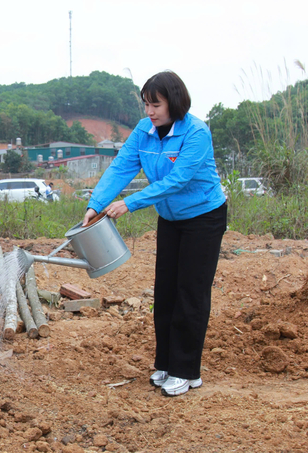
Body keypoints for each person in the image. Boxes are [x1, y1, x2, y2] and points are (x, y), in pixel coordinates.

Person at [82, 71, 227, 397]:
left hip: (204, 218)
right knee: (165, 292)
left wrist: (129, 204)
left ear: (174, 102)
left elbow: (178, 181)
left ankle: (186, 371)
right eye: (146, 104)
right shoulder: (143, 131)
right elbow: (121, 166)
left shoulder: (196, 133)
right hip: (171, 219)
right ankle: (166, 363)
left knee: (191, 293)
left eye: (156, 104)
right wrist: (97, 204)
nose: (150, 111)